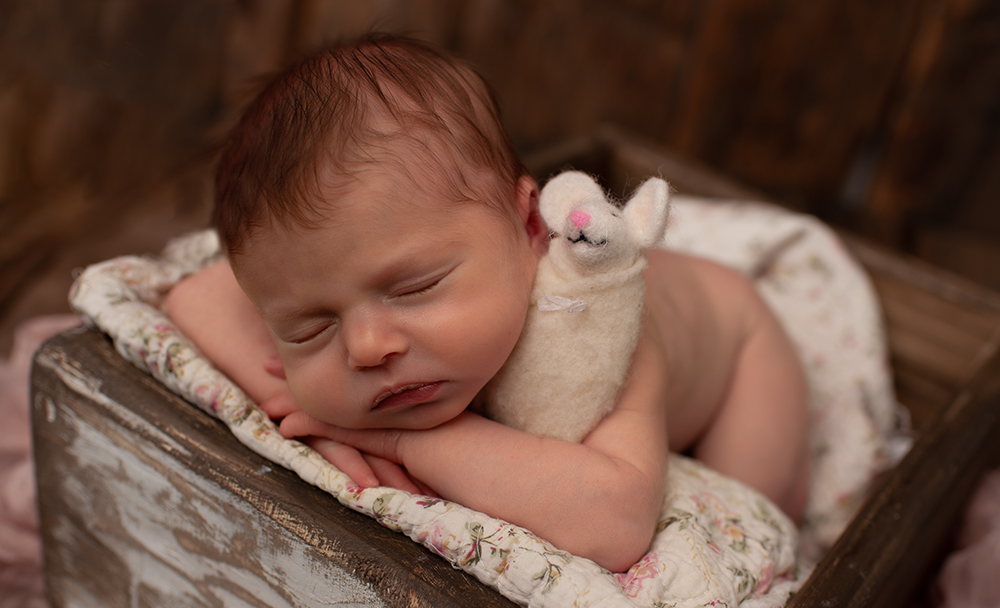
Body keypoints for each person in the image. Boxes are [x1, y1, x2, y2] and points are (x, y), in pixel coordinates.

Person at [165, 34, 809, 573]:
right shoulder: (353, 265)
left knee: (746, 532)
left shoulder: (597, 330)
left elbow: (617, 520)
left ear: (531, 230)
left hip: (741, 350)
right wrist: (300, 396)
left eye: (414, 289)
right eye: (309, 329)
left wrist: (401, 439)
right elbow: (196, 296)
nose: (365, 348)